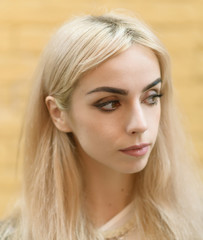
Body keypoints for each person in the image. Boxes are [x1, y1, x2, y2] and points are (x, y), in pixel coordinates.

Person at [0, 11, 203, 240]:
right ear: (58, 114)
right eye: (110, 104)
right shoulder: (17, 235)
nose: (140, 124)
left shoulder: (195, 224)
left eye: (151, 98)